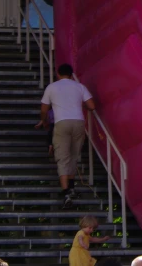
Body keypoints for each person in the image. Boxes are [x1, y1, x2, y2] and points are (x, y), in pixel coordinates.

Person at [36, 63, 96, 208]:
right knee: (74, 156)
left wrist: (44, 121)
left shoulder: (52, 87)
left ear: (58, 73)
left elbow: (44, 108)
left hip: (61, 123)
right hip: (78, 122)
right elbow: (92, 106)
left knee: (63, 158)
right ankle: (72, 187)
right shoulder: (79, 86)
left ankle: (66, 193)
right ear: (71, 74)